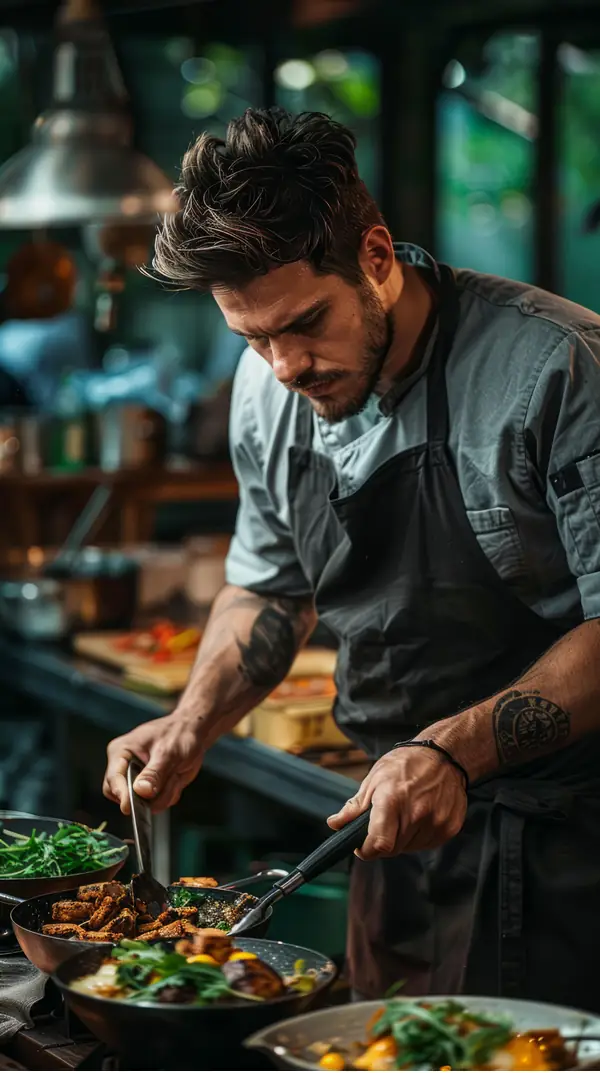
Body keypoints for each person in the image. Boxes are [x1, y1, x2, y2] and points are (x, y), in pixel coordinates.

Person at [104, 107, 600, 1009]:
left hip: (564, 843)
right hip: (384, 829)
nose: (283, 365)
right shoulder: (269, 385)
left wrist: (452, 750)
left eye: (303, 324)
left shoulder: (556, 368)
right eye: (250, 337)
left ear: (377, 256)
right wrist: (192, 722)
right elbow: (267, 583)